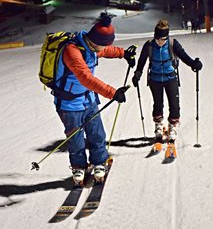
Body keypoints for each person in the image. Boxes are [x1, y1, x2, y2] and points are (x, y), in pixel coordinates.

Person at [54, 13, 136, 185]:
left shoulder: (92, 46)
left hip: (88, 99)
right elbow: (86, 78)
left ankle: (99, 162)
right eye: (101, 46)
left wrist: (124, 54)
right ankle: (78, 167)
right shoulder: (72, 51)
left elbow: (106, 50)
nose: (102, 50)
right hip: (69, 104)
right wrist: (113, 93)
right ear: (93, 41)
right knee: (75, 139)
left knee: (97, 134)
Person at [132, 19, 203, 156]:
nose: (160, 41)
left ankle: (172, 127)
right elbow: (141, 62)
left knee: (174, 105)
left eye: (163, 38)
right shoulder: (149, 46)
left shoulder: (172, 44)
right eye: (157, 38)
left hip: (171, 78)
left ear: (167, 37)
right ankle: (158, 126)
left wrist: (194, 64)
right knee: (158, 104)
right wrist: (137, 74)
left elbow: (184, 57)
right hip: (155, 79)